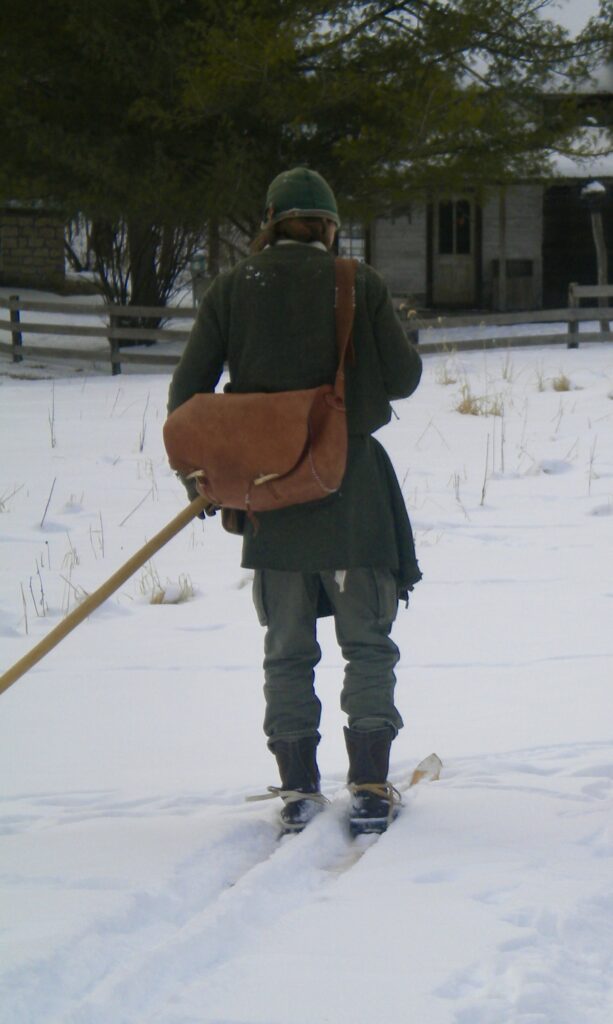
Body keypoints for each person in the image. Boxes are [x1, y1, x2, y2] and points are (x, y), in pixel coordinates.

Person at [167, 167, 422, 834]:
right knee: (366, 644)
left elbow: (186, 401)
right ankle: (368, 787)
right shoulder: (354, 283)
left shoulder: (231, 287)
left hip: (269, 502)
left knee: (286, 651)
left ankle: (298, 794)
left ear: (272, 222)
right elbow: (402, 378)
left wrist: (211, 480)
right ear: (329, 225)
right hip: (353, 499)